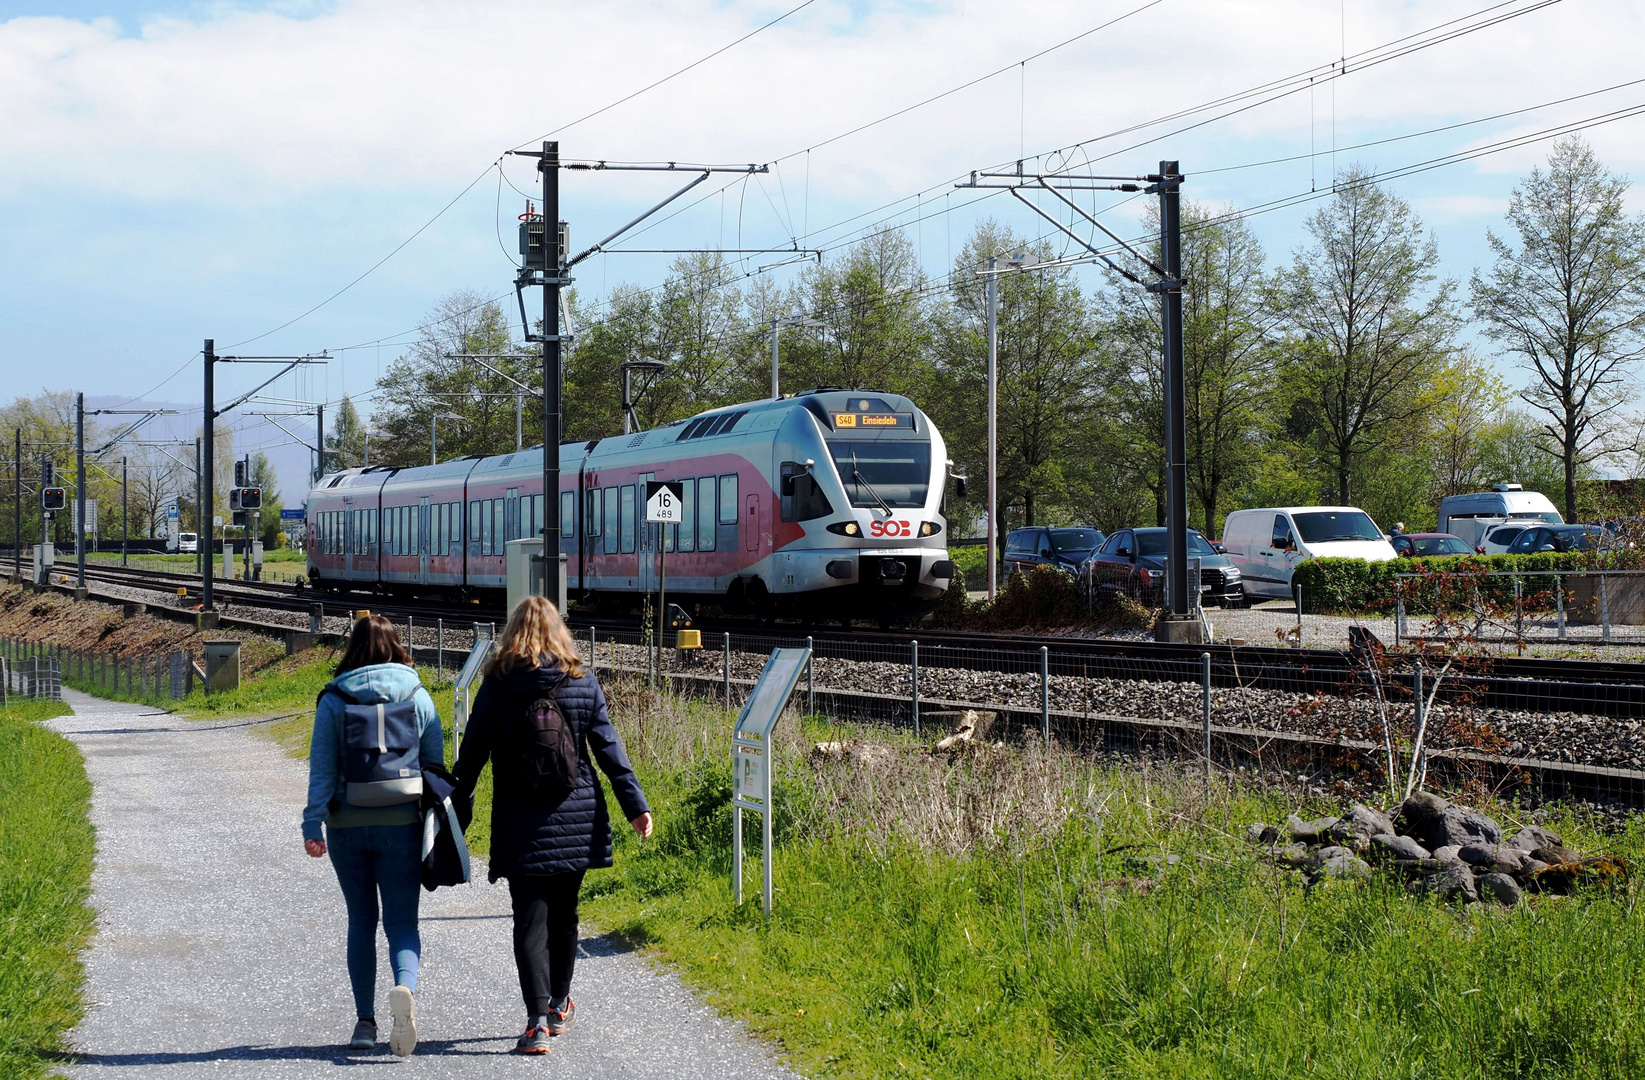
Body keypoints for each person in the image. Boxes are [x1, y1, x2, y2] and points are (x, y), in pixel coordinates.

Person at [453, 595, 652, 1056]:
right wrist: (636, 807)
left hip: (520, 822)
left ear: (512, 632)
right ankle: (560, 1004)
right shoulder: (582, 681)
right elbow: (609, 751)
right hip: (577, 817)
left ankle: (535, 1022)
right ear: (559, 631)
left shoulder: (499, 685)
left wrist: (452, 811)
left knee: (529, 920)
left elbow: (473, 754)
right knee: (565, 916)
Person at [302, 615, 443, 1056]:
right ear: (397, 646)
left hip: (346, 825)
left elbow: (322, 770)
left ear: (353, 648)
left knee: (362, 922)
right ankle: (405, 988)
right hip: (402, 824)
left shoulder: (334, 699)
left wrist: (312, 824)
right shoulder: (418, 696)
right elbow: (435, 767)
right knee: (402, 922)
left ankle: (364, 1023)